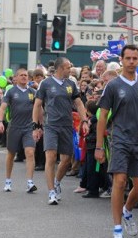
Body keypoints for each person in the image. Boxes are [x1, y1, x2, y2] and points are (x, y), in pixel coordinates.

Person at [95, 45, 138, 238]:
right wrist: (99, 146)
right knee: (120, 181)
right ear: (122, 60)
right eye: (128, 58)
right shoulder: (113, 85)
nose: (132, 62)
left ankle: (127, 210)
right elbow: (102, 117)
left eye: (135, 58)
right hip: (119, 140)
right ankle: (117, 228)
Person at [32, 57, 89, 205]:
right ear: (60, 68)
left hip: (66, 125)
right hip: (50, 125)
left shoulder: (71, 84)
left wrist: (84, 120)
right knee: (50, 157)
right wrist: (36, 126)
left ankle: (57, 181)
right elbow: (37, 105)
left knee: (65, 160)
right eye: (68, 67)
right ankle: (51, 192)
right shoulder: (45, 84)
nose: (70, 70)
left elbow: (78, 103)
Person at [0, 68, 38, 193]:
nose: (24, 77)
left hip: (28, 128)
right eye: (21, 75)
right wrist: (0, 121)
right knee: (11, 154)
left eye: (26, 75)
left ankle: (30, 183)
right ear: (15, 78)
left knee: (30, 152)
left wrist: (39, 126)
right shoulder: (11, 92)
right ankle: (8, 181)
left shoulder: (33, 92)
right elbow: (3, 108)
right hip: (14, 127)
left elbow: (38, 109)